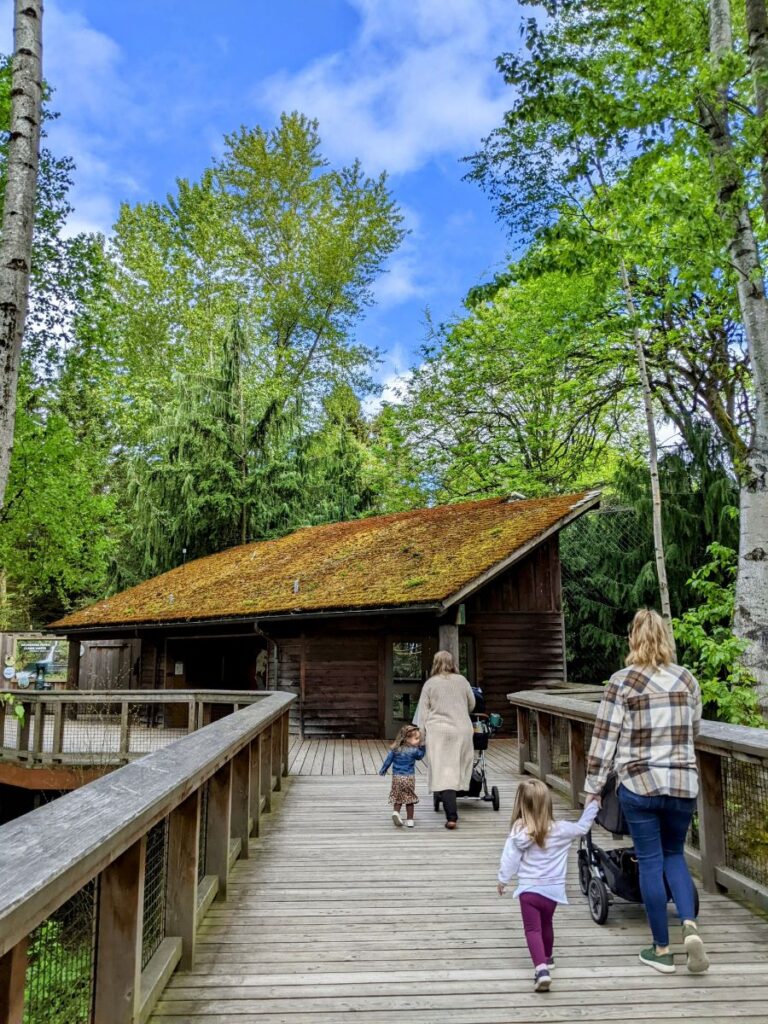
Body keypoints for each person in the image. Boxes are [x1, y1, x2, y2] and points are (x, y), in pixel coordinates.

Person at [584, 607, 708, 976]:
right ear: (667, 639)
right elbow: (695, 730)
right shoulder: (687, 680)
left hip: (639, 784)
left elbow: (603, 741)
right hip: (683, 784)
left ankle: (662, 949)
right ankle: (689, 925)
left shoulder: (622, 682)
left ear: (633, 640)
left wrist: (593, 789)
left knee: (650, 861)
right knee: (675, 856)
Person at [497, 778, 599, 992]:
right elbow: (582, 827)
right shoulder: (561, 830)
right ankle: (548, 956)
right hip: (553, 891)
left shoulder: (519, 831)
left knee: (532, 930)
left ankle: (541, 970)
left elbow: (510, 859)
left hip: (529, 891)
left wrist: (503, 879)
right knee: (546, 924)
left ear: (520, 805)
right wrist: (593, 805)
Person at [418, 650, 475, 829]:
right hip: (461, 730)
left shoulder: (430, 684)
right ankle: (453, 806)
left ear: (435, 663)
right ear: (452, 663)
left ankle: (451, 816)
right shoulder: (462, 681)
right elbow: (472, 704)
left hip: (438, 732)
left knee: (444, 771)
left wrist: (421, 736)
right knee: (457, 767)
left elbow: (423, 713)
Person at [379, 724, 425, 827]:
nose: (418, 740)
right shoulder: (414, 751)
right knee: (409, 799)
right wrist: (422, 747)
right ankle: (410, 820)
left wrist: (383, 769)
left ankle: (396, 812)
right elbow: (420, 756)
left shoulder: (395, 749)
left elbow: (388, 760)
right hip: (409, 778)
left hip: (397, 778)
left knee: (398, 798)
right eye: (416, 738)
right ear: (407, 739)